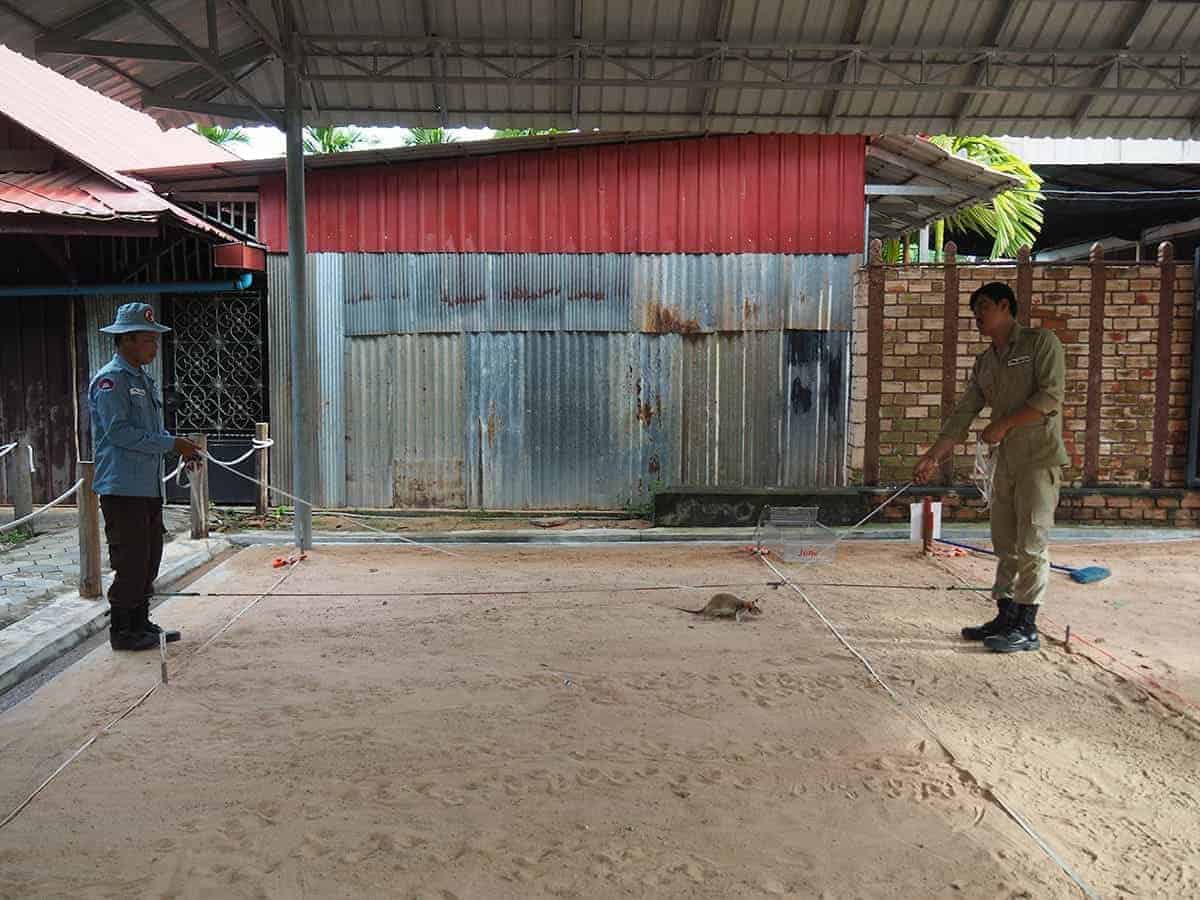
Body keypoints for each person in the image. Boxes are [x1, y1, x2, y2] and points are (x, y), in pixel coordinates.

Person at [913, 282, 1067, 653]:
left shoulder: (1040, 343)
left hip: (1038, 459)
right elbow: (965, 411)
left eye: (983, 306)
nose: (977, 315)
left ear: (1004, 306)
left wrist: (1004, 424)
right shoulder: (985, 362)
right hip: (1005, 463)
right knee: (1005, 543)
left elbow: (1050, 396)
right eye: (974, 309)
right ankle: (1005, 615)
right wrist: (933, 455)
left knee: (1031, 543)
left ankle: (1027, 627)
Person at [90, 303, 199, 652]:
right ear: (127, 340)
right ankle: (123, 631)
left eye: (155, 340)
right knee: (131, 560)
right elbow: (119, 432)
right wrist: (171, 444)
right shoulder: (111, 381)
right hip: (122, 487)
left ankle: (141, 623)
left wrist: (181, 448)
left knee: (150, 558)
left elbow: (152, 430)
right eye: (148, 340)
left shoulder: (142, 380)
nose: (154, 347)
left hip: (147, 485)